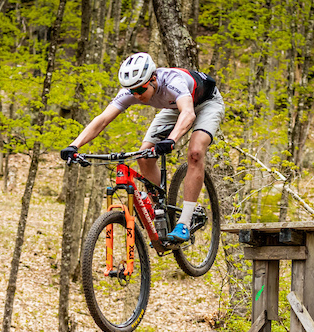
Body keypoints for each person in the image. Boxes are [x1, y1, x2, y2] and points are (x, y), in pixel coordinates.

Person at [60, 52, 225, 242]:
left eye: (140, 89)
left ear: (153, 79)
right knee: (144, 156)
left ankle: (184, 223)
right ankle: (161, 209)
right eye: (132, 91)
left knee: (195, 153)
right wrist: (74, 145)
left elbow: (188, 114)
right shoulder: (131, 91)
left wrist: (171, 139)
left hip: (206, 104)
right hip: (173, 108)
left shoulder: (173, 81)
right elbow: (103, 119)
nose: (136, 95)